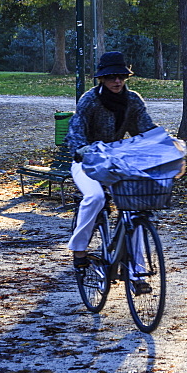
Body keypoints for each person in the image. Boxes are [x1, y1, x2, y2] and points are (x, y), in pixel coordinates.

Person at [67, 51, 156, 268]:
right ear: (102, 78)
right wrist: (82, 149)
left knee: (135, 207)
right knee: (96, 198)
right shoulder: (90, 100)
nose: (117, 81)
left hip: (115, 163)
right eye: (111, 77)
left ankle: (138, 269)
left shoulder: (133, 99)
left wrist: (166, 144)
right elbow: (76, 129)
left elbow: (145, 129)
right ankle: (79, 249)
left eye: (121, 77)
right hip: (86, 162)